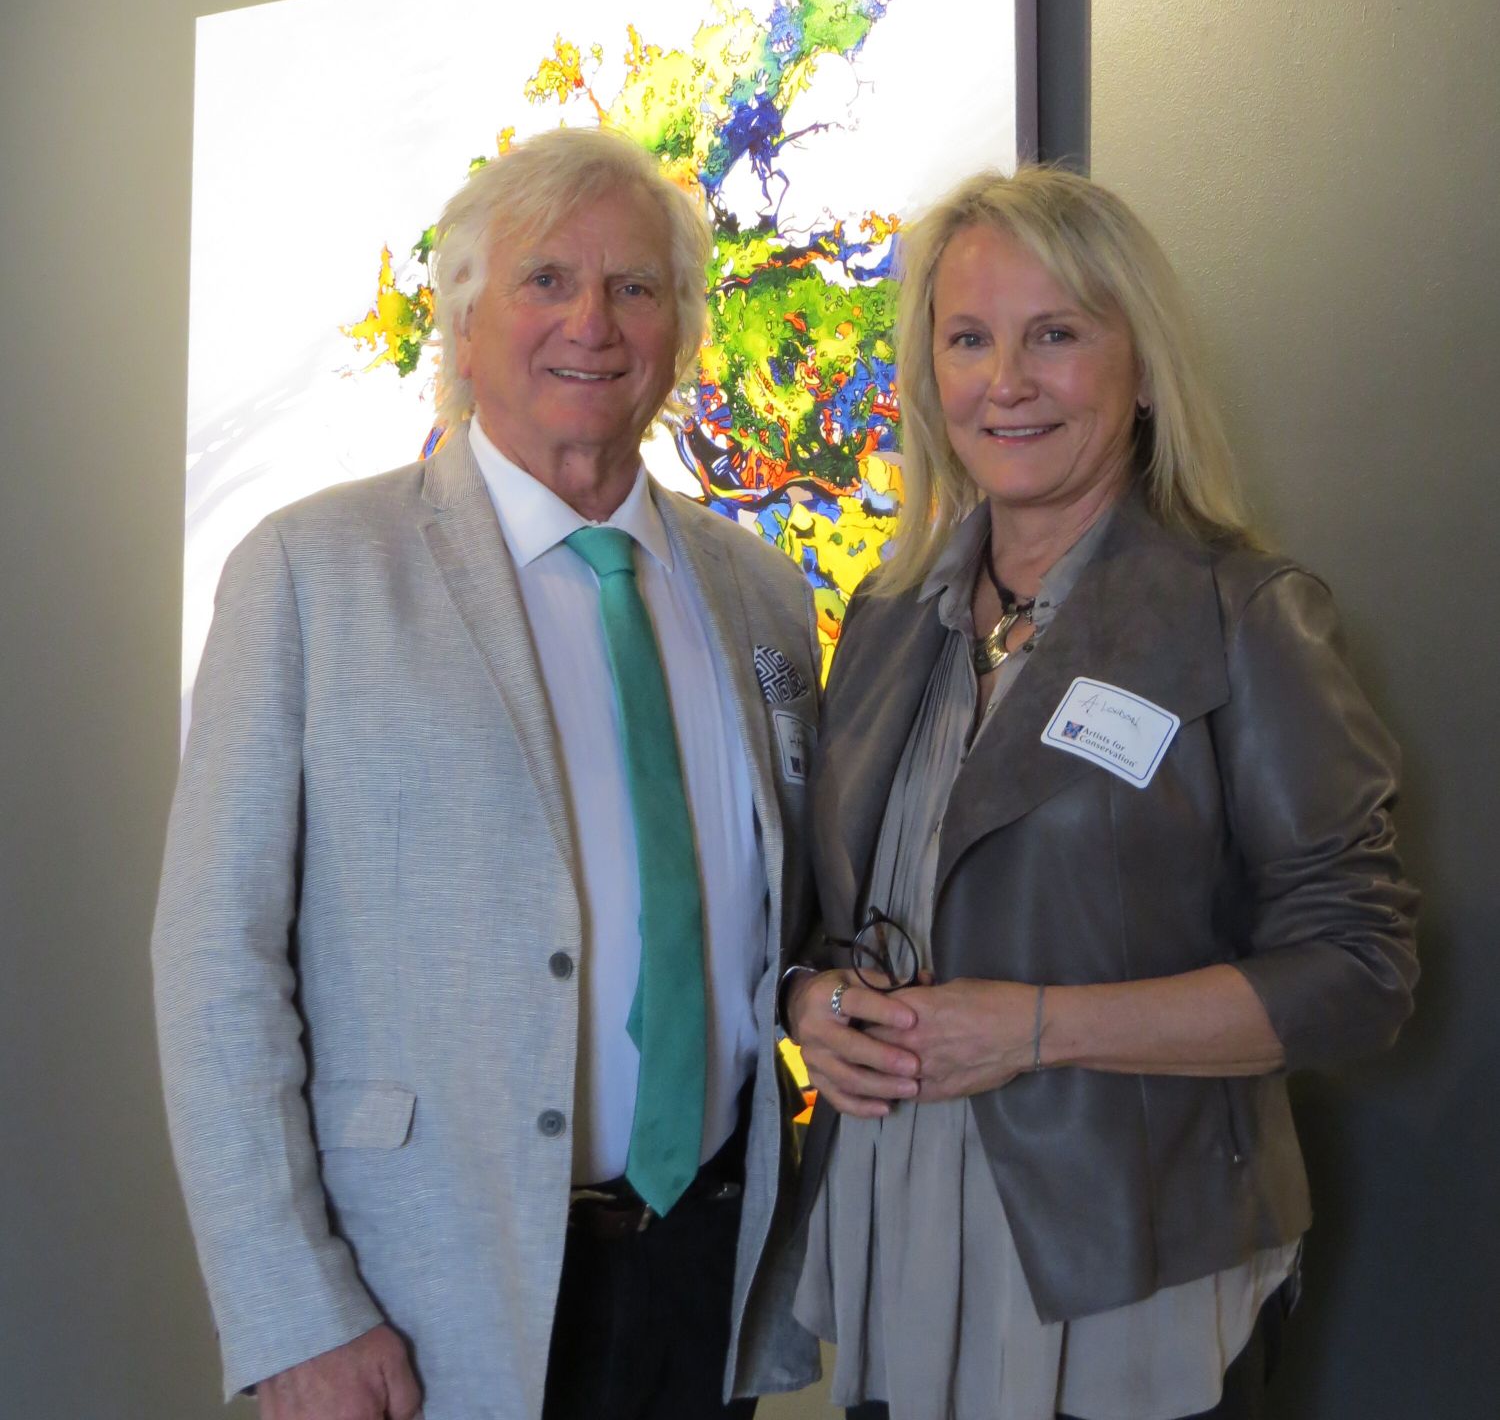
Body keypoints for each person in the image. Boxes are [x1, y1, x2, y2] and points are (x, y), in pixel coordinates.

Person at [152, 126, 822, 1420]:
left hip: (706, 1271)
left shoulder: (760, 593)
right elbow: (213, 962)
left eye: (636, 286)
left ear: (682, 330)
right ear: (462, 324)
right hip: (421, 1299)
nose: (593, 321)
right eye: (545, 280)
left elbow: (777, 922)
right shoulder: (311, 571)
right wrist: (294, 1313)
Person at [782, 164, 1418, 1420]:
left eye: (1056, 335)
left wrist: (1035, 1027)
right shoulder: (890, 614)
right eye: (969, 338)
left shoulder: (1241, 615)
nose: (1006, 381)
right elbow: (834, 909)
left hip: (1128, 1270)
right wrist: (813, 997)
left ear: (1141, 370)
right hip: (899, 1237)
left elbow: (1359, 971)